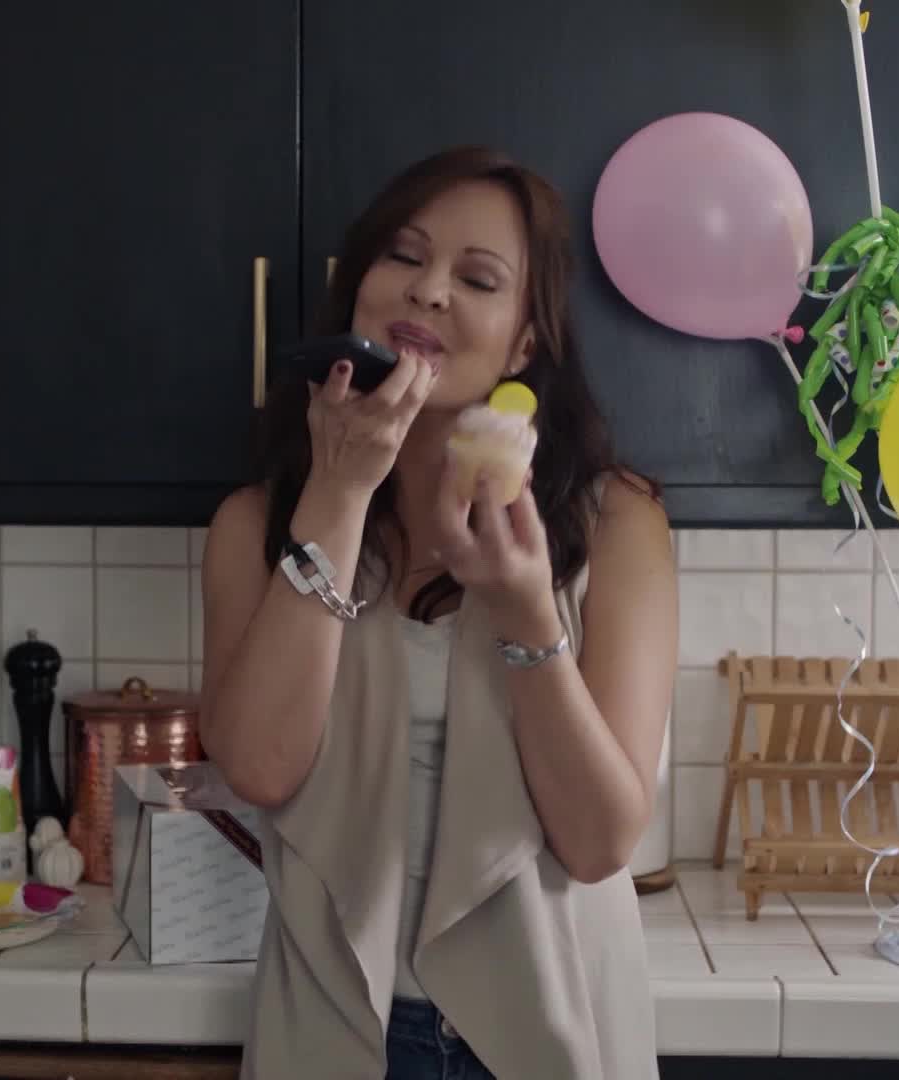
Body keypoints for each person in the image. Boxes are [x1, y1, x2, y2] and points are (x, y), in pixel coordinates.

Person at [198, 145, 679, 1080]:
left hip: (545, 1033)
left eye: (478, 278)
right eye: (404, 259)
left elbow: (598, 842)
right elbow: (258, 766)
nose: (427, 293)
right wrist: (337, 496)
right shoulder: (258, 525)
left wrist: (526, 614)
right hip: (338, 1033)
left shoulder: (615, 527)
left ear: (524, 343)